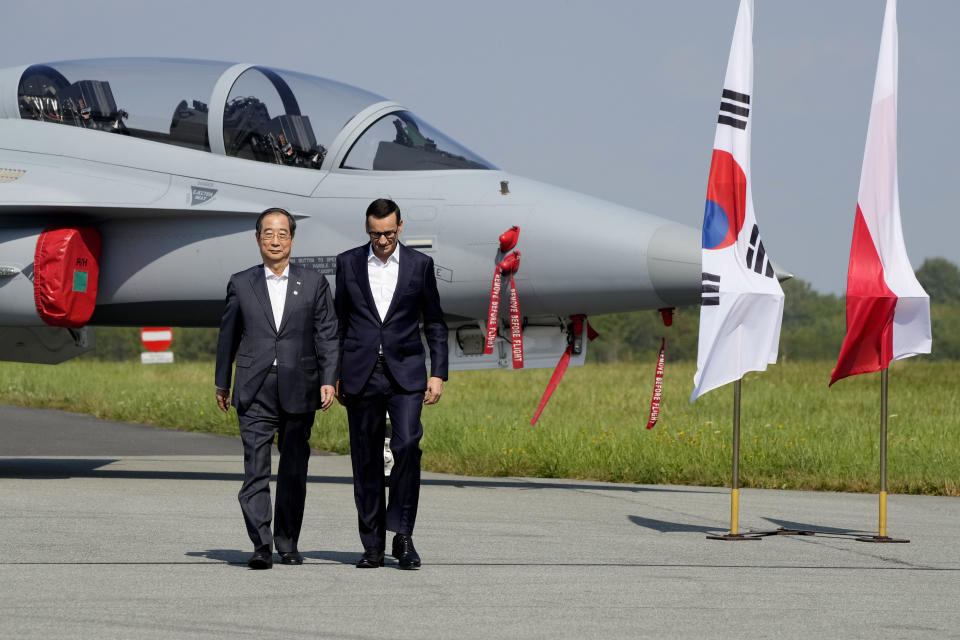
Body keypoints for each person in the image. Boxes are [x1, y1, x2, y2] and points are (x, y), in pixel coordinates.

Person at [214, 207, 338, 570]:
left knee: (293, 471)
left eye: (282, 233)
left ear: (292, 240)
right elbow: (228, 336)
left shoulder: (314, 283)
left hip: (300, 387)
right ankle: (261, 544)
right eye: (268, 233)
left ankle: (287, 542)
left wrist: (329, 379)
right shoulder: (241, 283)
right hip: (255, 387)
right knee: (255, 469)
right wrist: (222, 382)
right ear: (257, 239)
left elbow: (328, 335)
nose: (275, 240)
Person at [335, 198, 448, 570]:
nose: (381, 240)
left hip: (407, 373)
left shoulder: (420, 265)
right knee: (365, 459)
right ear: (367, 230)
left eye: (387, 233)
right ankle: (371, 545)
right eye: (374, 234)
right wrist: (331, 375)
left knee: (408, 446)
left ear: (400, 227)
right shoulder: (348, 262)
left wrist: (437, 373)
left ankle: (401, 535)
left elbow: (434, 322)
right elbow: (338, 324)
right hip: (360, 373)